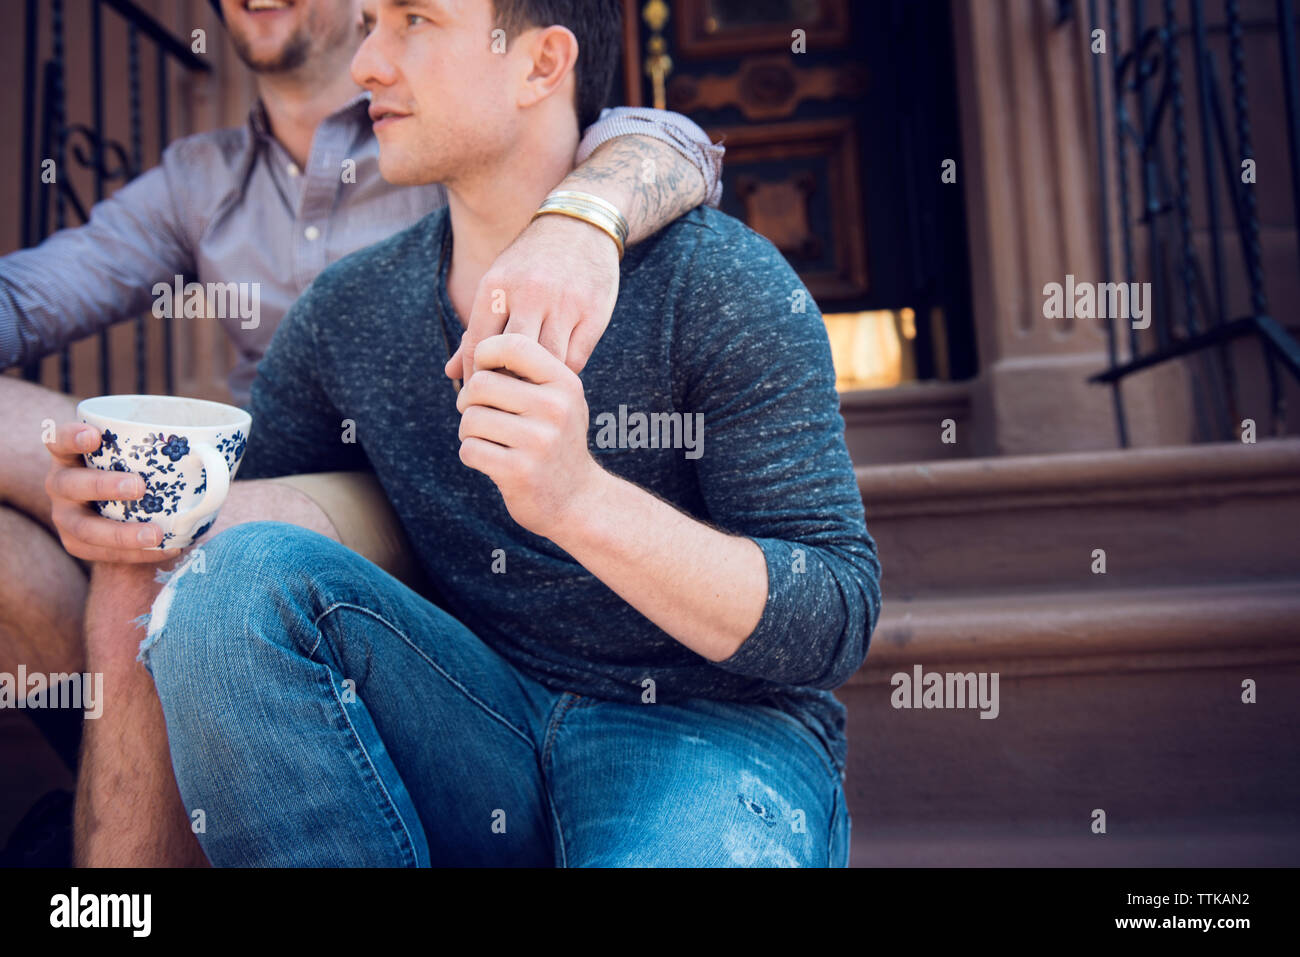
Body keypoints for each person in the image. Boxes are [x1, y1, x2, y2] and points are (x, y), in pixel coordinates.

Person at [105, 0, 882, 866]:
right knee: (224, 586)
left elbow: (833, 617)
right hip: (466, 719)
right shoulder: (348, 313)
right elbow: (266, 553)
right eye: (368, 25)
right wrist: (128, 503)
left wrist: (579, 500)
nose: (366, 65)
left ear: (542, 65)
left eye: (414, 22)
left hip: (709, 737)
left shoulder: (717, 280)